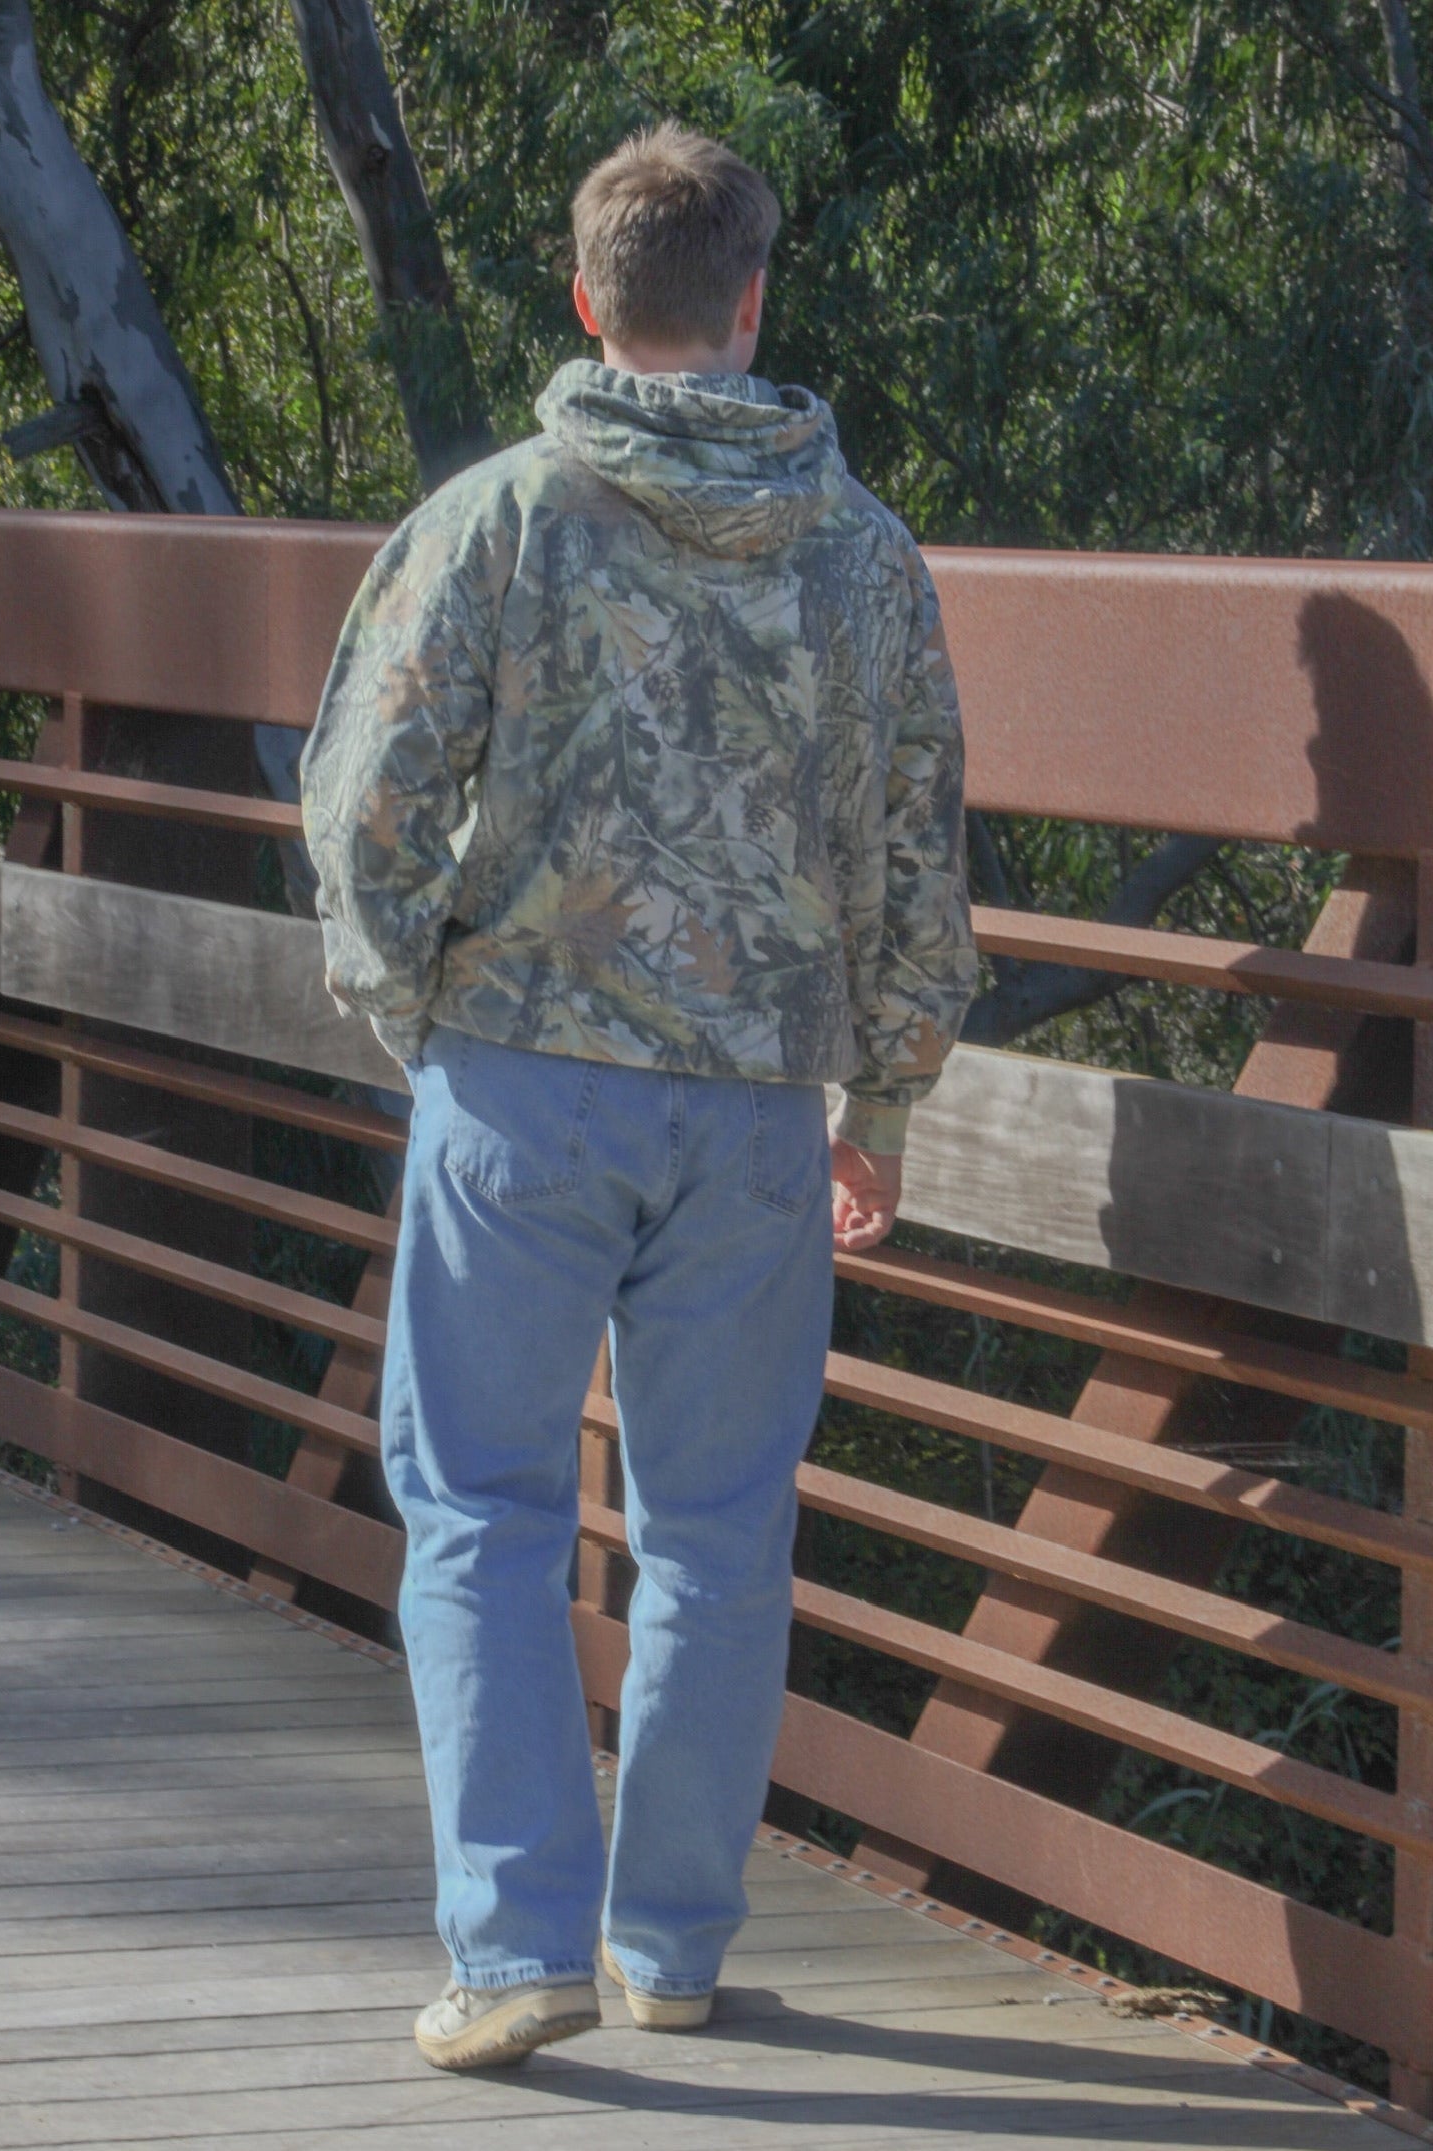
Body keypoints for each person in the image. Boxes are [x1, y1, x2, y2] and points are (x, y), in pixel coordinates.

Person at [299, 120, 976, 2072]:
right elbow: (916, 851)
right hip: (755, 1111)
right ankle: (670, 1946)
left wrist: (416, 1014)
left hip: (523, 1081)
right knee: (720, 1528)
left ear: (589, 302)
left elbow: (365, 807)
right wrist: (885, 1098)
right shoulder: (865, 555)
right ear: (752, 300)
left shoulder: (498, 518)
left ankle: (517, 1946)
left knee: (479, 1505)